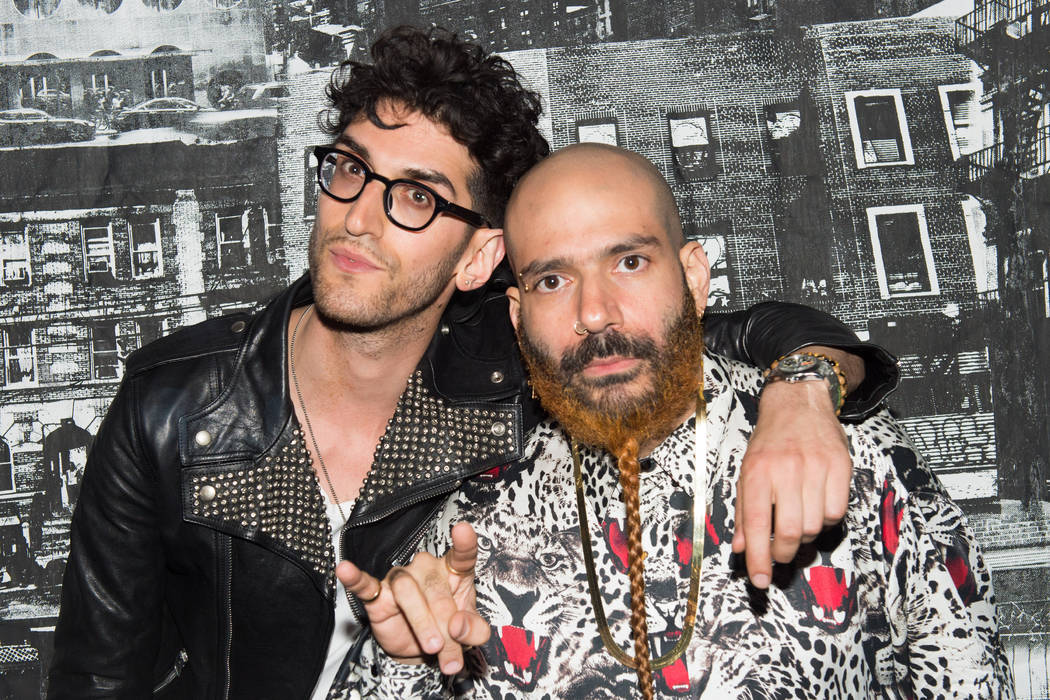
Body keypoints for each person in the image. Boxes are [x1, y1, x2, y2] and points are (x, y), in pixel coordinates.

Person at [47, 29, 896, 700]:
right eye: (349, 170)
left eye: (415, 196)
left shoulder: (525, 361)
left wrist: (803, 394)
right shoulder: (174, 399)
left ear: (479, 257)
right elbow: (98, 679)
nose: (357, 220)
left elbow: (739, 331)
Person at [338, 144, 1011, 698]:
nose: (594, 312)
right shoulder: (475, 513)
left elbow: (966, 669)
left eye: (629, 262)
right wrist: (402, 665)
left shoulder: (842, 448)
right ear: (516, 317)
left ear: (693, 280)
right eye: (552, 281)